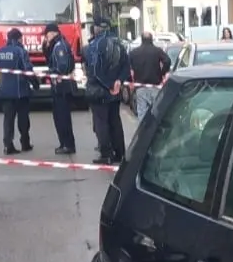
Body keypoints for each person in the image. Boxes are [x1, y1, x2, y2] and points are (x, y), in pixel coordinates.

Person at [83, 16, 130, 165]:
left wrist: (109, 85)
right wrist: (118, 82)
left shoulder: (95, 46)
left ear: (97, 28)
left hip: (100, 90)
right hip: (114, 91)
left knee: (101, 122)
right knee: (115, 121)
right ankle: (120, 152)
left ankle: (106, 154)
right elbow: (127, 66)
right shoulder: (119, 43)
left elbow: (95, 71)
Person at [0, 28, 35, 154]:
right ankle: (25, 143)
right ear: (18, 38)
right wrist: (35, 83)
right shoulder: (20, 51)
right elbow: (27, 69)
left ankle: (8, 145)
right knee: (23, 119)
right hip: (20, 91)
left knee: (8, 120)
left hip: (5, 92)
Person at [42, 23, 78, 154]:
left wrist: (51, 72)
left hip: (62, 86)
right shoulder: (56, 45)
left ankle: (68, 145)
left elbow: (61, 66)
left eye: (46, 35)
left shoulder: (59, 46)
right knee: (59, 116)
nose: (45, 38)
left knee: (62, 117)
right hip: (60, 86)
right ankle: (64, 143)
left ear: (52, 33)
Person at [127, 31, 170, 124]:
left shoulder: (134, 52)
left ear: (141, 40)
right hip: (155, 86)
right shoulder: (157, 51)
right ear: (151, 39)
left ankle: (143, 134)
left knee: (142, 112)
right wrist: (162, 73)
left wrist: (130, 81)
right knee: (156, 112)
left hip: (140, 87)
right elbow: (167, 61)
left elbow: (126, 67)